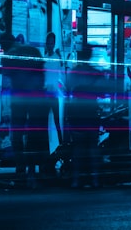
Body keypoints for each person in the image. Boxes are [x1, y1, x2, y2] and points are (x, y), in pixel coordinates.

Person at [4, 36, 46, 186]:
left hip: (19, 99)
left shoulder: (12, 57)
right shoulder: (33, 53)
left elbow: (7, 78)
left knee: (17, 135)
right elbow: (41, 78)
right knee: (33, 136)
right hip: (34, 99)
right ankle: (32, 169)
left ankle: (21, 168)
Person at [66, 47, 102, 188]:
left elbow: (68, 88)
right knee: (92, 147)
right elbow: (103, 90)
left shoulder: (74, 72)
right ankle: (95, 179)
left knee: (78, 148)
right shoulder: (94, 73)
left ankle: (76, 179)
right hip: (91, 112)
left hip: (77, 113)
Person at [43, 32, 66, 151]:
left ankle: (61, 144)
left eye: (51, 43)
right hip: (46, 93)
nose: (50, 45)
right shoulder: (44, 59)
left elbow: (61, 74)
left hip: (53, 93)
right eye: (48, 43)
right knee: (46, 122)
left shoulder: (56, 58)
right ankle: (47, 147)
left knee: (56, 121)